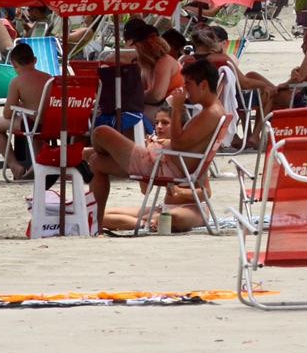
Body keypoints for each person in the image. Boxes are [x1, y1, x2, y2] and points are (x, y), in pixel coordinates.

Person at [86, 59, 226, 232]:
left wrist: (177, 108)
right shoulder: (215, 111)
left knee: (101, 132)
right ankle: (96, 227)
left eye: (188, 85)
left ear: (203, 85)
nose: (186, 90)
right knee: (97, 162)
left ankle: (96, 224)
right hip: (164, 164)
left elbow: (180, 143)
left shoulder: (210, 113)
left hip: (160, 166)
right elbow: (183, 145)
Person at [96, 107, 210, 233]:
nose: (159, 127)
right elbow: (145, 190)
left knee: (172, 217)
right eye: (156, 123)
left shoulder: (191, 152)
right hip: (165, 208)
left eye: (165, 123)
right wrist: (147, 158)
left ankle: (150, 222)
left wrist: (181, 192)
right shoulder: (157, 149)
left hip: (192, 208)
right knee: (101, 215)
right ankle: (147, 223)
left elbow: (206, 193)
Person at [0, 43, 49, 179]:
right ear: (35, 60)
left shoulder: (17, 81)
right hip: (51, 124)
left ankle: (14, 164)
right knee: (34, 127)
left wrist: (20, 105)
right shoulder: (48, 78)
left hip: (32, 124)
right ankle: (38, 162)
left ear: (13, 64)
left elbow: (7, 114)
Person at [122, 18, 181, 120]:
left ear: (143, 46)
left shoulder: (165, 62)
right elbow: (141, 90)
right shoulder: (148, 65)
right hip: (160, 108)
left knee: (128, 117)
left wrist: (131, 97)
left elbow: (156, 96)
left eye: (136, 47)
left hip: (173, 110)